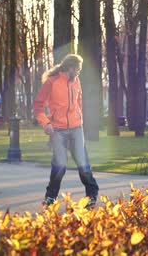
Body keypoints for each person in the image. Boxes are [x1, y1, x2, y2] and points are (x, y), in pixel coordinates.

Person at [33, 54, 99, 208]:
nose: (79, 73)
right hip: (58, 130)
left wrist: (79, 118)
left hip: (76, 128)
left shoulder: (76, 82)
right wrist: (46, 123)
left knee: (83, 165)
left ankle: (91, 196)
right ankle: (50, 197)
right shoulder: (52, 82)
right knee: (60, 165)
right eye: (78, 70)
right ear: (70, 68)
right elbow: (38, 106)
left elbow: (78, 102)